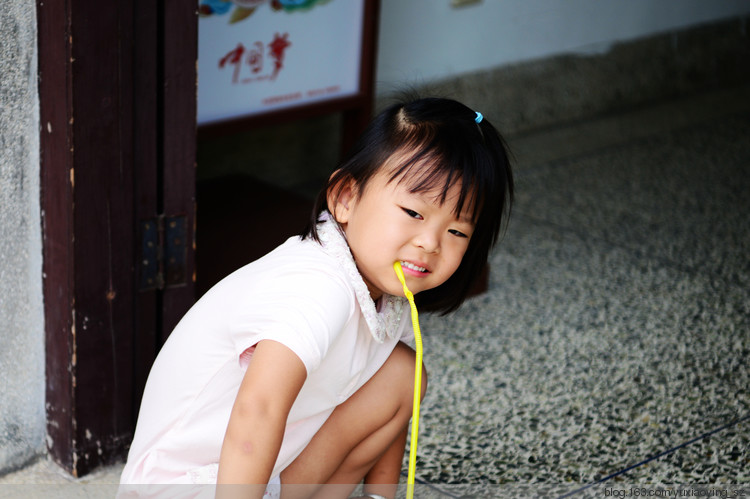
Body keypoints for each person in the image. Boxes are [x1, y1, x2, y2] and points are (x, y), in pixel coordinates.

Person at [119, 97, 514, 499]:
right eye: (414, 213)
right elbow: (258, 411)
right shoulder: (317, 288)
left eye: (457, 232)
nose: (430, 242)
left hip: (261, 471)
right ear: (345, 198)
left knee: (401, 376)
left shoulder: (383, 291)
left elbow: (394, 415)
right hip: (193, 484)